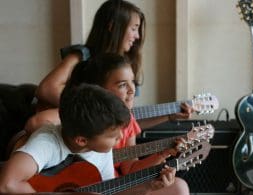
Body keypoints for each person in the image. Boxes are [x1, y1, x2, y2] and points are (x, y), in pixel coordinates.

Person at [24, 0, 193, 133]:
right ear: (112, 26)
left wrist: (170, 115)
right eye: (134, 28)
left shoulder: (127, 69)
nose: (138, 36)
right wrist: (93, 111)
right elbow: (46, 89)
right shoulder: (82, 55)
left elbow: (126, 119)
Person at [0, 83, 176, 195]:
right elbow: (6, 185)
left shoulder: (102, 152)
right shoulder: (47, 143)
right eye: (113, 136)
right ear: (82, 140)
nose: (121, 138)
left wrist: (148, 186)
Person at [64, 54, 190, 195]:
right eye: (122, 84)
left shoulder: (128, 121)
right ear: (98, 90)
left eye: (133, 82)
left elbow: (130, 169)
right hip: (89, 186)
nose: (132, 90)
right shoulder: (83, 120)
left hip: (117, 186)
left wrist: (162, 154)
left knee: (179, 188)